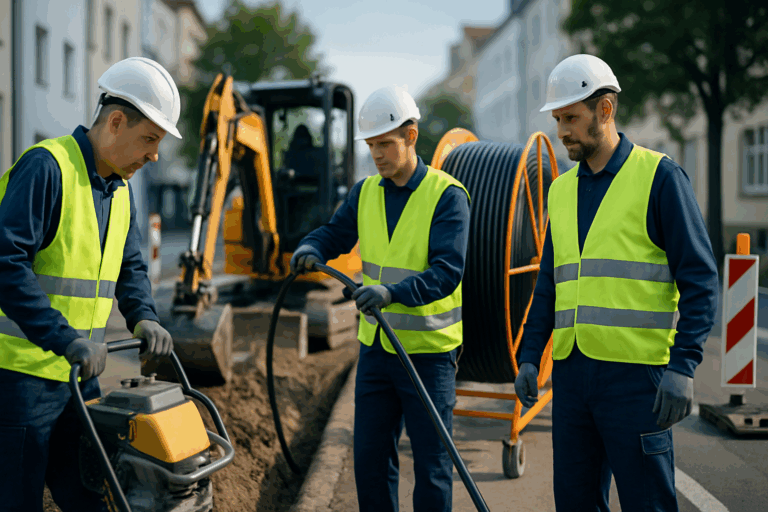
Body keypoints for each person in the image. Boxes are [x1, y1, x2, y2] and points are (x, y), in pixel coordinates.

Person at [514, 54, 719, 512]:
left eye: (571, 117)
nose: (561, 130)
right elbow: (549, 283)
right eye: (558, 118)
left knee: (647, 502)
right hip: (571, 377)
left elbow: (700, 279)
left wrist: (683, 366)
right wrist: (530, 355)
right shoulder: (560, 191)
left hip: (637, 380)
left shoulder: (660, 177)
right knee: (575, 500)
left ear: (605, 110)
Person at [0, 57, 179, 512]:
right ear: (116, 122)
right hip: (21, 381)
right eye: (150, 139)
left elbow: (130, 267)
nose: (154, 154)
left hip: (80, 377)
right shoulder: (47, 167)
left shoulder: (120, 190)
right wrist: (65, 338)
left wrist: (144, 318)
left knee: (88, 495)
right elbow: (6, 263)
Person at [290, 85, 471, 512]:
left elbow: (447, 274)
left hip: (429, 355)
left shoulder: (447, 196)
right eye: (371, 146)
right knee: (370, 461)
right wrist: (311, 246)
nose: (377, 154)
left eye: (385, 144)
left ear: (411, 136)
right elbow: (335, 233)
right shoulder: (365, 192)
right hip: (376, 352)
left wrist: (391, 293)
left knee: (431, 467)